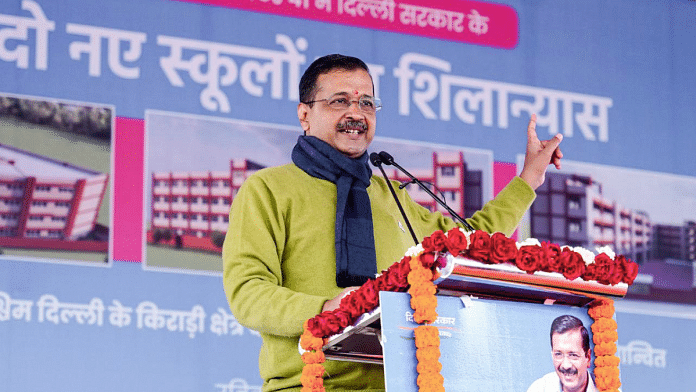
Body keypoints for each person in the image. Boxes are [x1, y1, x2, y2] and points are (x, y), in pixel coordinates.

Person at [223, 54, 563, 391]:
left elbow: (470, 244)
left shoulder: (391, 195)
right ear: (305, 114)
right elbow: (248, 293)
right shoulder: (267, 190)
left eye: (367, 104)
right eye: (340, 101)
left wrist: (530, 176)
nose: (355, 113)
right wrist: (327, 309)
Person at [527, 315, 598, 392]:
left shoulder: (608, 387)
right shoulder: (540, 389)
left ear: (588, 357)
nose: (566, 366)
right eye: (558, 354)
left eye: (573, 355)